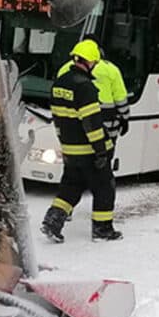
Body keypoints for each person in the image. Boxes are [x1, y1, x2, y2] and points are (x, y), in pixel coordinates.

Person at [40, 40, 122, 242]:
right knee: (104, 188)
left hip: (70, 149)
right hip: (89, 151)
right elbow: (92, 124)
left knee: (71, 187)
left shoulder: (60, 83)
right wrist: (101, 151)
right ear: (90, 62)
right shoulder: (85, 87)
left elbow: (59, 117)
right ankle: (102, 230)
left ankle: (53, 221)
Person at [56, 35, 130, 145]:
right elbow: (121, 99)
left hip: (76, 125)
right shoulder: (111, 69)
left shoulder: (65, 69)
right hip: (107, 123)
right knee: (104, 154)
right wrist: (125, 118)